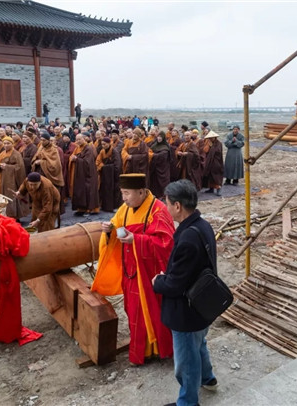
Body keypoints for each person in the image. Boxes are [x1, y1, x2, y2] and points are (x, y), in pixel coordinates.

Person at [92, 173, 175, 365]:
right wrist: (109, 231)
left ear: (141, 191)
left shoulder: (158, 211)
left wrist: (136, 239)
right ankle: (141, 351)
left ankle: (158, 349)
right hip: (131, 271)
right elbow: (116, 224)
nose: (124, 198)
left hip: (150, 274)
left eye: (127, 193)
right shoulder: (126, 209)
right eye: (122, 193)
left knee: (154, 311)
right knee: (133, 310)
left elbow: (167, 243)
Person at [152, 179, 218, 406]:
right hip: (203, 305)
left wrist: (157, 281)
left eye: (167, 202)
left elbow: (174, 286)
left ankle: (188, 402)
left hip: (187, 312)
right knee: (199, 346)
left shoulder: (188, 237)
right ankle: (208, 379)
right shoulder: (202, 225)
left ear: (178, 206)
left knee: (186, 362)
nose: (165, 206)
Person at [0, 136, 30, 220]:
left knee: (12, 196)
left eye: (8, 143)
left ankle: (15, 216)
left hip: (13, 179)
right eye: (5, 143)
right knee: (5, 196)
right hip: (4, 178)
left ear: (12, 144)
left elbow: (20, 166)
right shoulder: (2, 153)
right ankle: (7, 215)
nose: (6, 145)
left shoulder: (16, 154)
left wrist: (7, 167)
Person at [68, 133, 99, 216]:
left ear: (84, 139)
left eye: (79, 139)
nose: (77, 141)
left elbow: (87, 162)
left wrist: (77, 159)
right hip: (80, 173)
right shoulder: (78, 148)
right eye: (76, 139)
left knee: (88, 190)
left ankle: (89, 209)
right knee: (80, 190)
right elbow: (74, 156)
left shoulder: (88, 148)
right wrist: (73, 158)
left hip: (88, 174)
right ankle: (81, 208)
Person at [95, 136, 122, 212]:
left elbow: (117, 165)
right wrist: (102, 167)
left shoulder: (114, 151)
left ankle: (115, 207)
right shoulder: (102, 151)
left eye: (105, 144)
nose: (103, 146)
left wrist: (106, 167)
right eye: (102, 144)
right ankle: (105, 206)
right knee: (104, 189)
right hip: (106, 175)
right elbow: (98, 162)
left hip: (114, 175)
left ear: (109, 143)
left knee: (115, 190)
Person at [149, 131, 171, 199]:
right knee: (155, 181)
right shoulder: (154, 145)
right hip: (155, 167)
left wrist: (152, 155)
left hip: (162, 167)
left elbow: (163, 156)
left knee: (163, 181)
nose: (159, 138)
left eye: (161, 137)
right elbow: (149, 150)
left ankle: (164, 195)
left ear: (163, 138)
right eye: (158, 136)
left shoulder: (165, 146)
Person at [201, 131, 224, 196]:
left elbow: (218, 152)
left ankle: (218, 189)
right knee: (210, 176)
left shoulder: (218, 143)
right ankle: (211, 188)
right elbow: (205, 150)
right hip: (209, 162)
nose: (210, 139)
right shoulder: (209, 143)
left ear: (215, 137)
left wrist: (212, 147)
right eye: (209, 138)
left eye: (212, 138)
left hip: (216, 162)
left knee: (216, 176)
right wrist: (209, 146)